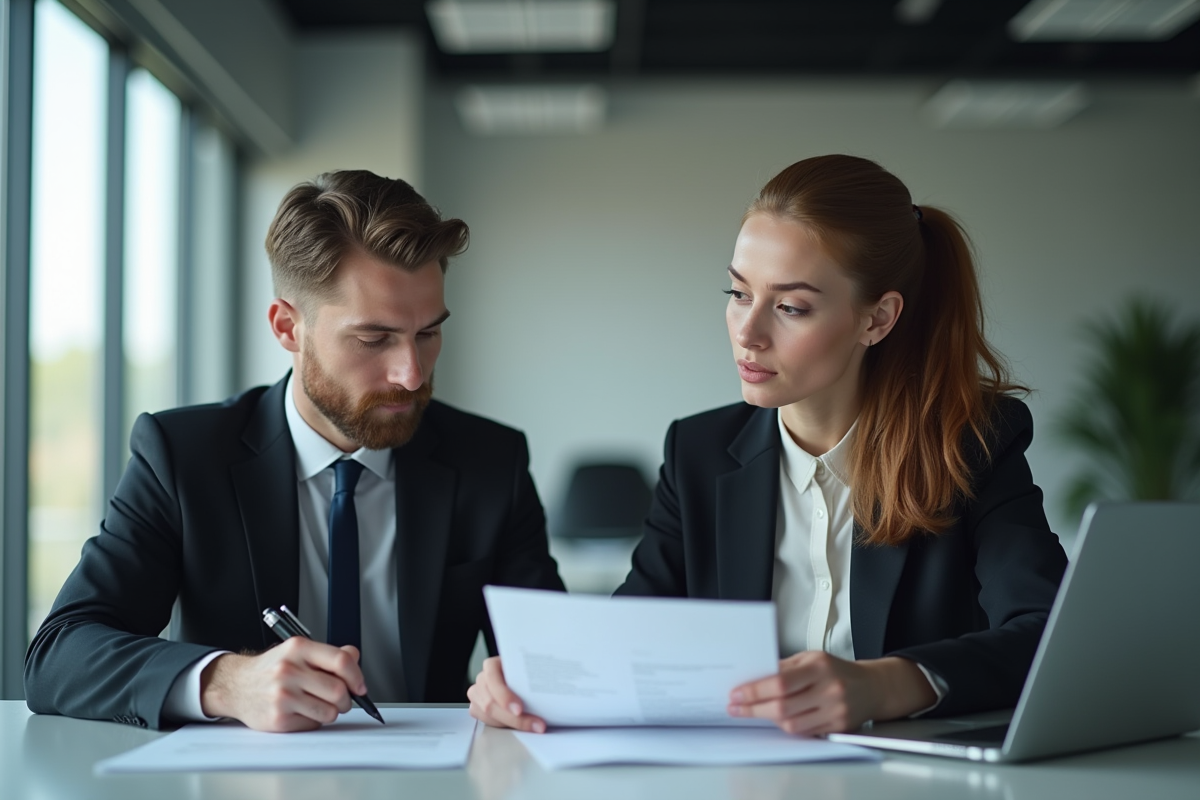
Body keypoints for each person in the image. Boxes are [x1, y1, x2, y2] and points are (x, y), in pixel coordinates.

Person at [467, 154, 1068, 736]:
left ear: (878, 319)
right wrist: (529, 678)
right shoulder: (697, 452)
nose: (748, 333)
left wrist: (881, 685)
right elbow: (634, 635)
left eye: (790, 306)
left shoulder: (971, 442)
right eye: (737, 294)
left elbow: (1049, 630)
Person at [25, 170, 564, 732]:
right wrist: (225, 682)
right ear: (288, 327)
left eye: (428, 333)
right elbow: (58, 655)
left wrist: (529, 682)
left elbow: (556, 656)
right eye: (374, 339)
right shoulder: (183, 457)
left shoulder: (490, 461)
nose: (410, 374)